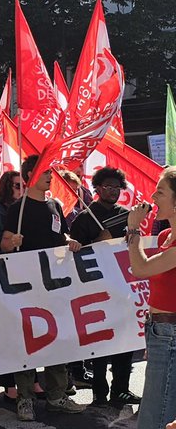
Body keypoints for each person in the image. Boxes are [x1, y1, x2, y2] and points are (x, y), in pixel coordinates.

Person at [1, 154, 87, 422]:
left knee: (57, 337)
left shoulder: (54, 205)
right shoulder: (17, 209)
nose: (50, 176)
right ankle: (25, 398)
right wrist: (11, 242)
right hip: (26, 285)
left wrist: (69, 241)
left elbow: (60, 235)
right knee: (28, 340)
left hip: (54, 284)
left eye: (50, 172)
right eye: (45, 172)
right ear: (29, 176)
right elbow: (3, 244)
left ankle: (57, 395)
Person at [122, 168, 176, 429]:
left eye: (160, 192)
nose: (152, 197)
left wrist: (132, 230)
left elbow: (140, 268)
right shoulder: (167, 235)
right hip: (162, 335)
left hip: (170, 339)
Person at [69, 166, 139, 408]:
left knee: (125, 342)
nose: (113, 191)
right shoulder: (84, 218)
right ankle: (99, 392)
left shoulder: (127, 215)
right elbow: (73, 255)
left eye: (117, 187)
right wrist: (97, 243)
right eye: (108, 186)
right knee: (99, 344)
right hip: (96, 290)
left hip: (123, 288)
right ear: (97, 188)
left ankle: (121, 389)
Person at [0, 170, 23, 401]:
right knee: (8, 331)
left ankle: (28, 380)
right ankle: (8, 382)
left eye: (23, 185)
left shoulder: (24, 209)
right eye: (17, 185)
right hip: (4, 274)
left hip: (23, 276)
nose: (21, 189)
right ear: (7, 187)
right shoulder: (0, 212)